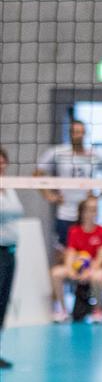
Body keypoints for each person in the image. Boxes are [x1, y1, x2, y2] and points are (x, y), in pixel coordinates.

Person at [35, 118, 102, 321]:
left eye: (80, 131)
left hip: (87, 216)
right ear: (69, 133)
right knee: (62, 260)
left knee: (90, 260)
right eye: (74, 131)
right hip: (65, 215)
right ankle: (60, 308)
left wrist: (97, 196)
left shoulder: (94, 155)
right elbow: (37, 173)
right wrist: (50, 195)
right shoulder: (57, 152)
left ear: (85, 133)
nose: (77, 135)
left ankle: (89, 306)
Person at [48, 196, 102, 323]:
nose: (93, 213)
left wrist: (89, 271)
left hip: (93, 268)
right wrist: (71, 269)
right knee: (56, 273)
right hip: (77, 267)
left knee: (99, 276)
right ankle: (63, 310)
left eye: (95, 209)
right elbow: (70, 253)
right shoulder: (74, 231)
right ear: (82, 212)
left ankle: (98, 310)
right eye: (90, 209)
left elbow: (101, 257)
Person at [0, 146, 18, 367]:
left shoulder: (10, 186)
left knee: (3, 303)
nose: (1, 165)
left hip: (10, 252)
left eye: (3, 161)